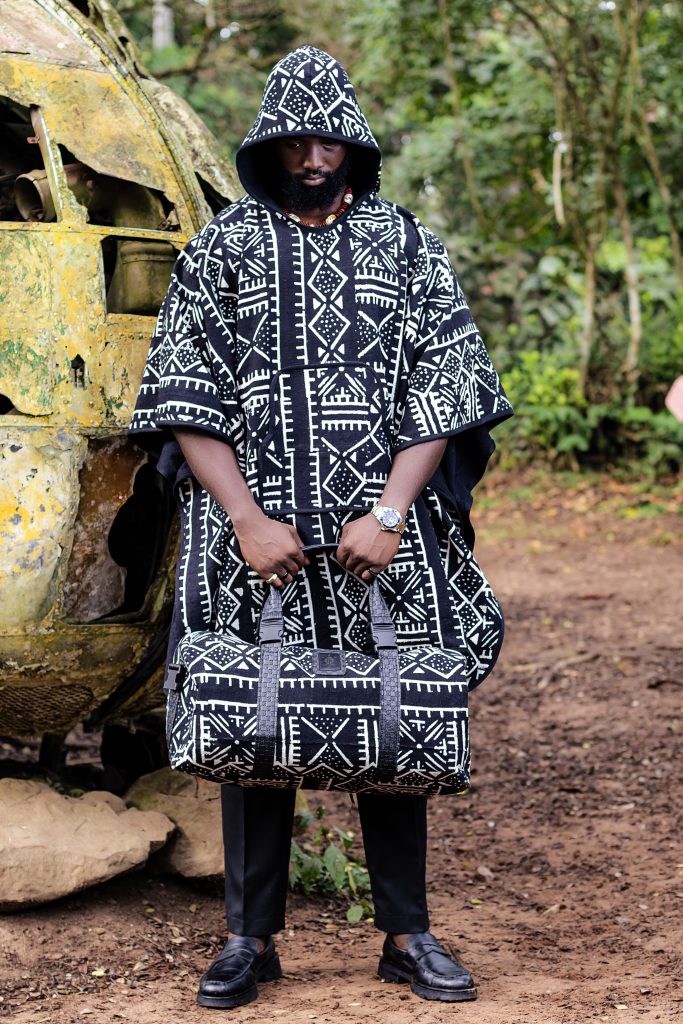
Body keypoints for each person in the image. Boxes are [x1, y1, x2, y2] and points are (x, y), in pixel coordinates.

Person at [130, 45, 512, 1010]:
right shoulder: (224, 248)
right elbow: (185, 392)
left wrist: (389, 512)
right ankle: (248, 940)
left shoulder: (406, 246)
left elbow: (446, 384)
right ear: (267, 145)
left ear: (355, 146)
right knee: (253, 717)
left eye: (329, 142)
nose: (312, 159)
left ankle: (406, 935)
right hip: (252, 545)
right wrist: (245, 519)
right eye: (294, 143)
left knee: (396, 710)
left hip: (385, 541)